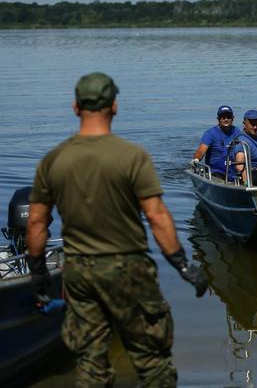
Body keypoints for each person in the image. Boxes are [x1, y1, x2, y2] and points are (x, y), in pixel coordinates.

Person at [26, 72, 208, 387]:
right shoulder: (132, 157)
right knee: (152, 361)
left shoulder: (54, 160)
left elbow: (36, 222)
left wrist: (39, 272)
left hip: (80, 273)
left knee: (91, 363)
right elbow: (157, 216)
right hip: (129, 269)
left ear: (74, 107)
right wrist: (183, 265)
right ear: (115, 107)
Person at [191, 105, 241, 180]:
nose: (226, 119)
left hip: (234, 172)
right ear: (218, 119)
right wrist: (196, 159)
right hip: (216, 173)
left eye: (229, 117)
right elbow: (201, 151)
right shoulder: (210, 134)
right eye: (223, 117)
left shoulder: (237, 132)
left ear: (233, 118)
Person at [233, 109, 257, 184]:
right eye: (252, 124)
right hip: (255, 177)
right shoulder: (242, 141)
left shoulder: (253, 138)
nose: (255, 127)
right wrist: (247, 184)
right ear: (244, 123)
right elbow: (239, 166)